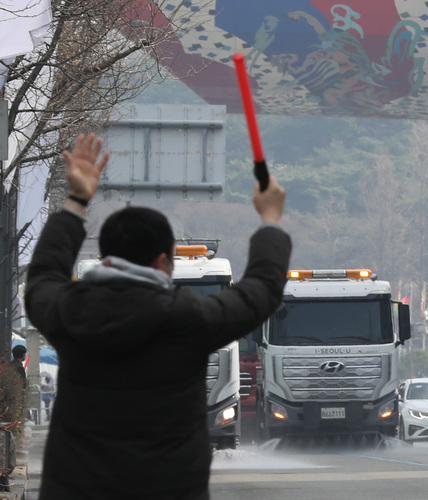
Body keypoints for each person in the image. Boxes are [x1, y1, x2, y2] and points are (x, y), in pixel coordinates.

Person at [24, 134, 292, 500]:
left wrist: (76, 201)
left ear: (106, 257)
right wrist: (271, 220)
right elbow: (262, 288)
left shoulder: (69, 311)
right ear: (163, 262)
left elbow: (42, 276)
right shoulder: (189, 318)